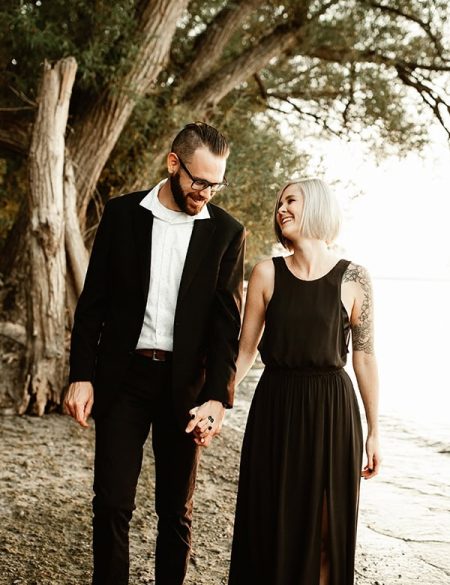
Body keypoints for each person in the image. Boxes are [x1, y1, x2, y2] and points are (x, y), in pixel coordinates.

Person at [63, 122, 245, 585]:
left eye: (215, 183)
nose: (206, 192)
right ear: (173, 164)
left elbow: (227, 326)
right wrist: (81, 374)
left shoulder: (226, 232)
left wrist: (217, 399)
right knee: (110, 503)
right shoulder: (122, 215)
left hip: (185, 389)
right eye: (198, 180)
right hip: (122, 380)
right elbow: (93, 305)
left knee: (175, 511)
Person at [227, 178, 381, 585]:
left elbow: (364, 357)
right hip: (275, 408)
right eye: (279, 204)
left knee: (329, 529)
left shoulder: (355, 278)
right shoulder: (266, 272)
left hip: (334, 411)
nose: (281, 210)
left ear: (316, 206)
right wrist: (216, 401)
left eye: (290, 201)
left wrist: (374, 431)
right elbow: (244, 352)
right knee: (270, 526)